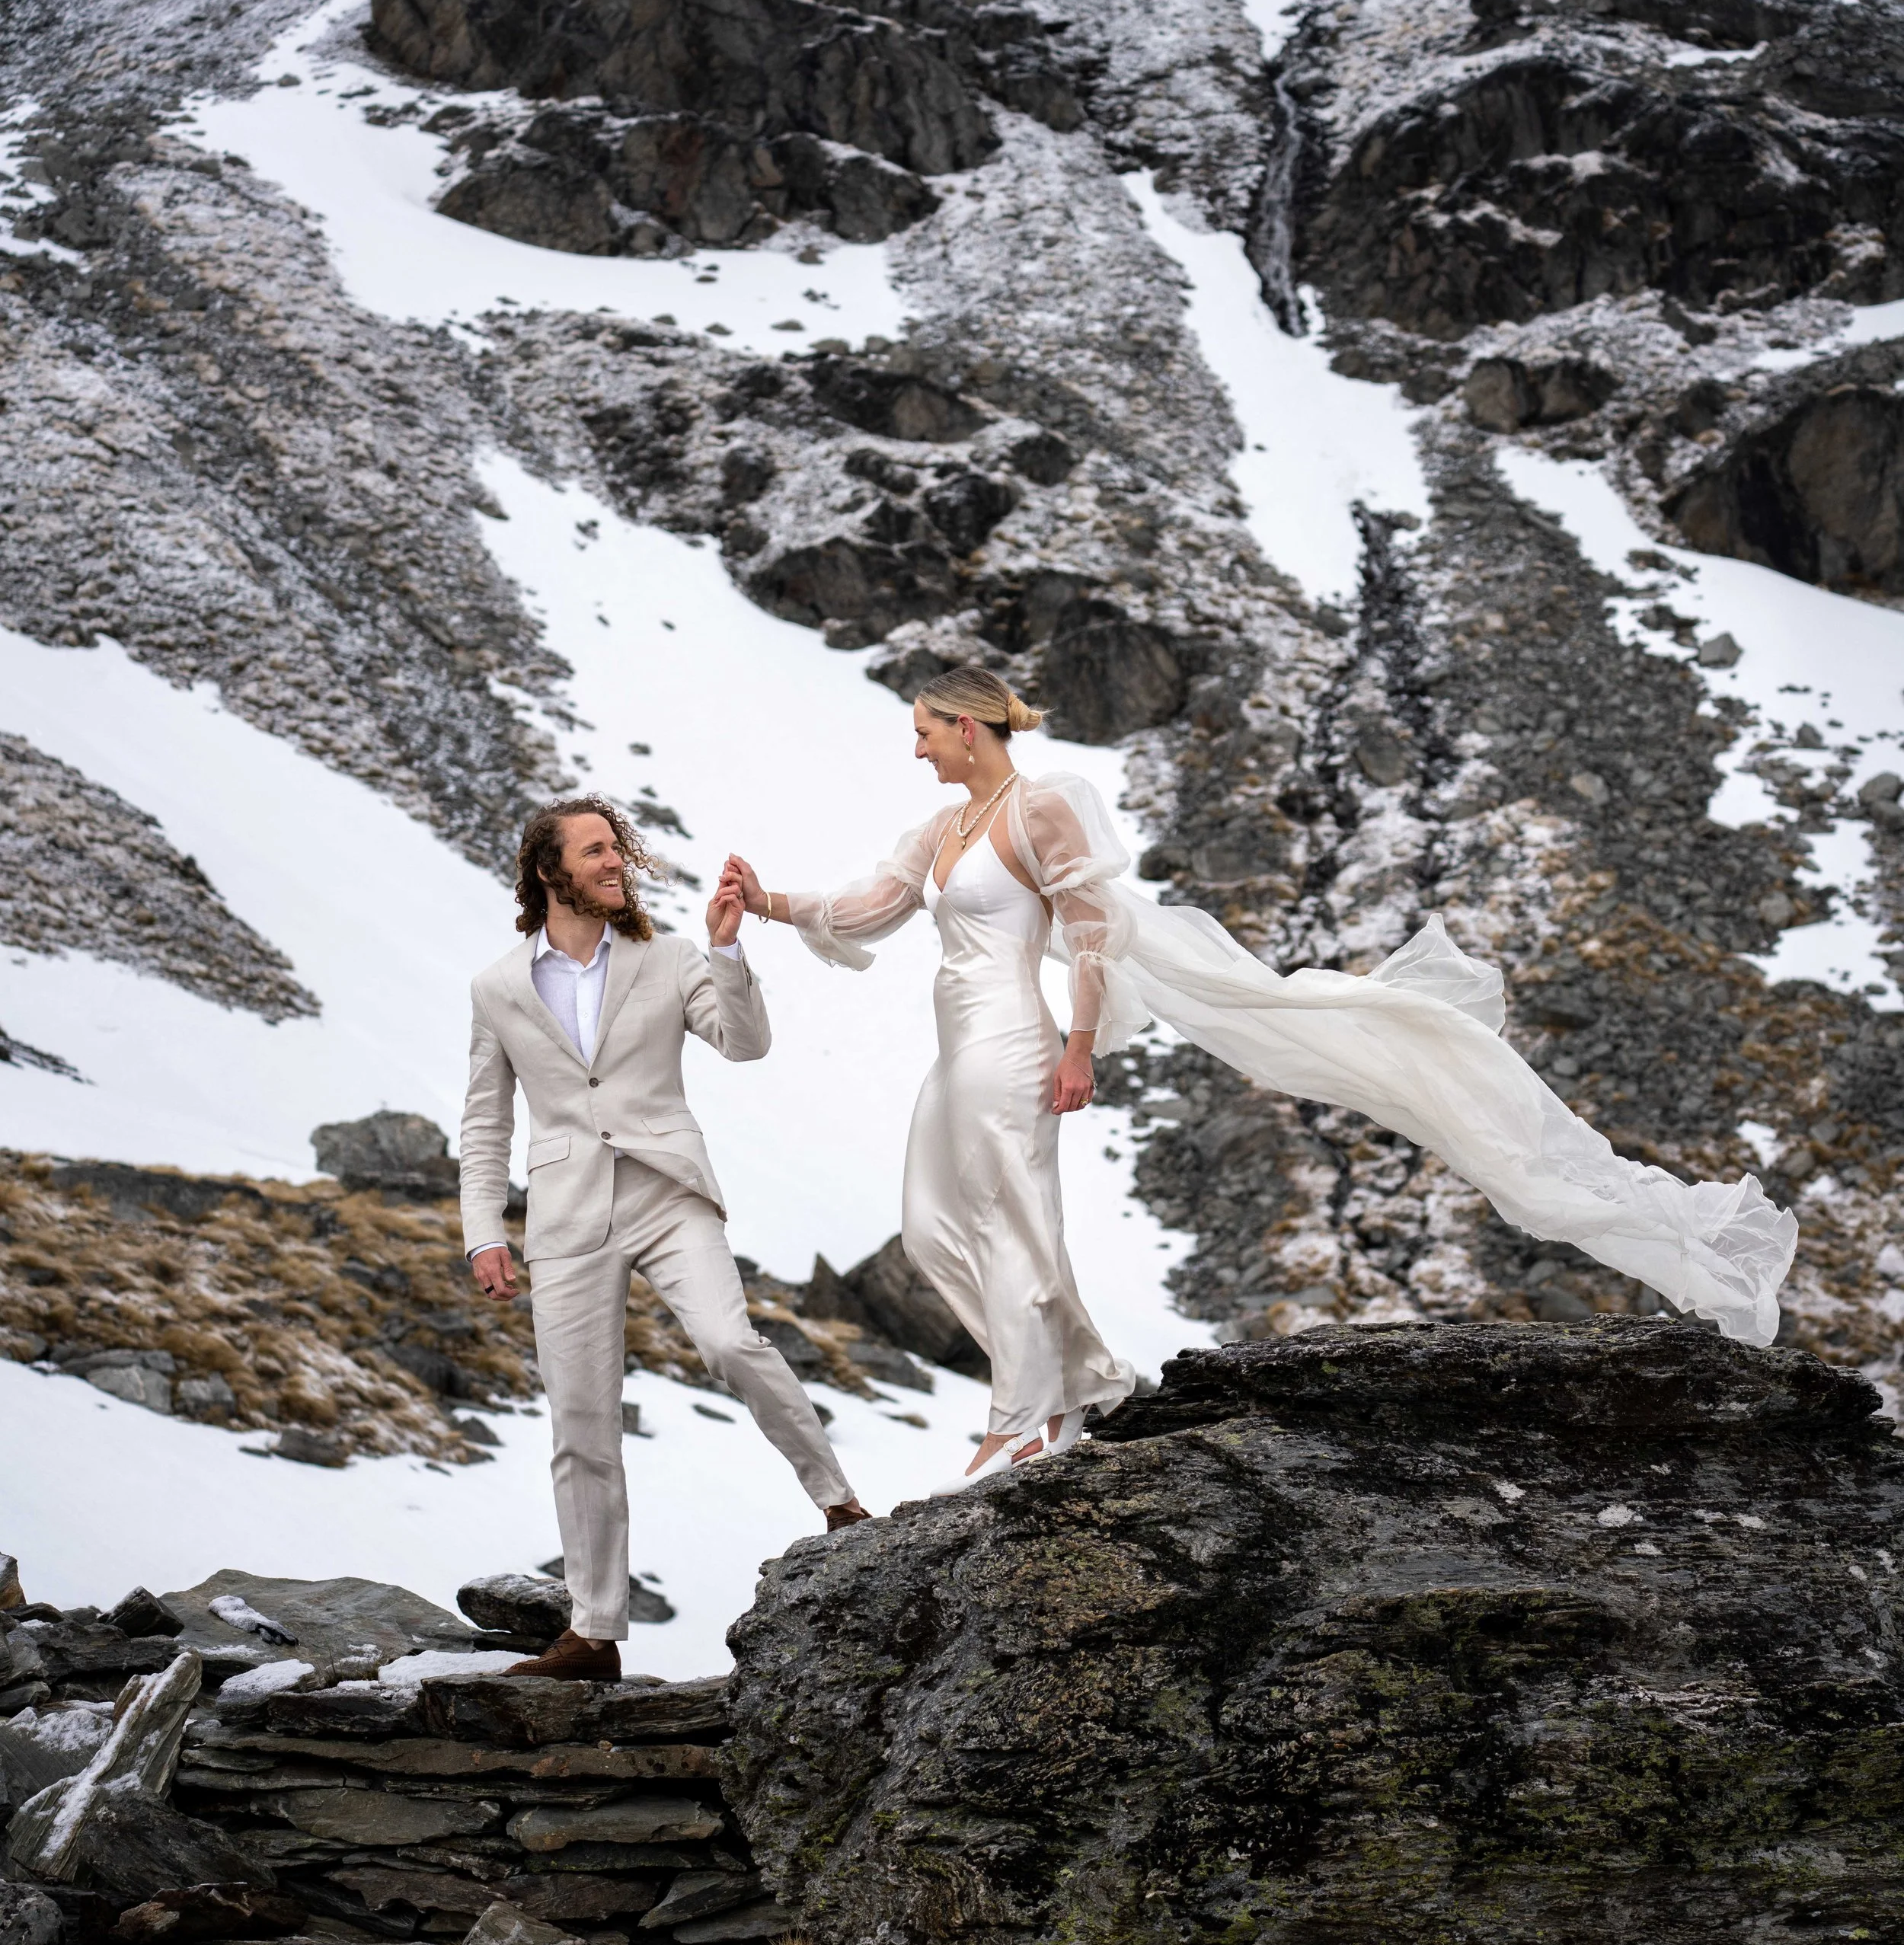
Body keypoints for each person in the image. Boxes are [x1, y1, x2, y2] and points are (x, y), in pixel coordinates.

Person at [727, 666, 1797, 1484]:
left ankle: (1028, 1414)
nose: (914, 749)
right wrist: (765, 901)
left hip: (1015, 1033)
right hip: (953, 1042)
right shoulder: (943, 824)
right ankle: (1082, 1381)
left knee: (1015, 1217)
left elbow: (1092, 931)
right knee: (929, 1226)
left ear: (967, 726)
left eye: (923, 730)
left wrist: (1081, 1045)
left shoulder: (1039, 808)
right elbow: (872, 907)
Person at [461, 795, 867, 1682]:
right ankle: (594, 1633)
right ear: (549, 870)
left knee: (729, 1339)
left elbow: (745, 1044)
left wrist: (726, 948)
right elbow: (486, 1123)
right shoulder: (498, 987)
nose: (615, 863)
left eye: (618, 850)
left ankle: (838, 1503)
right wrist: (482, 1232)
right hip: (567, 1216)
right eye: (596, 851)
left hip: (667, 1192)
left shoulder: (669, 955)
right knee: (581, 1424)